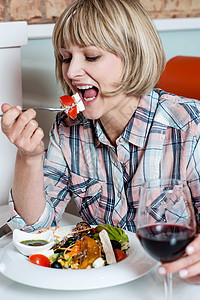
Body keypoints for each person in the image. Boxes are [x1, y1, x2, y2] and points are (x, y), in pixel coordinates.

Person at [1, 0, 200, 283]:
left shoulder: (190, 127)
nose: (71, 72)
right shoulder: (69, 127)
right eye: (66, 57)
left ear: (133, 56)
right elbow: (35, 230)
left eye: (91, 56)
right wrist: (28, 156)